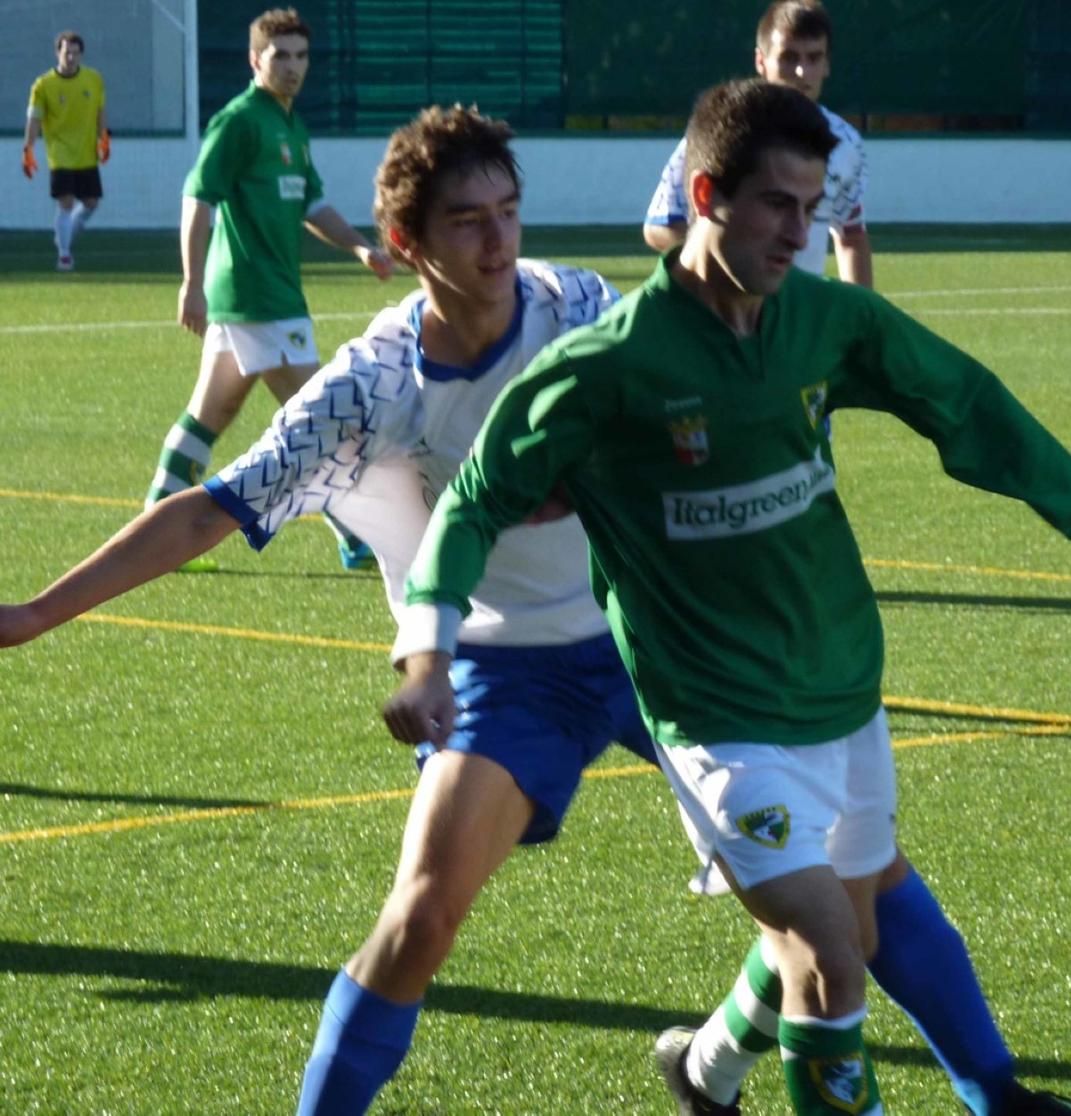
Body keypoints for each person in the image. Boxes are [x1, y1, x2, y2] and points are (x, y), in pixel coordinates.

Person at [387, 79, 1071, 1116]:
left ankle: (705, 1073)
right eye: (778, 206)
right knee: (829, 956)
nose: (802, 231)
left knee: (851, 934)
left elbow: (965, 403)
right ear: (707, 194)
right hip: (717, 720)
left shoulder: (825, 323)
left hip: (841, 691)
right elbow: (475, 504)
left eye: (813, 206)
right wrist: (428, 649)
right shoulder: (606, 369)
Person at [0, 103, 660, 1116]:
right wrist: (36, 615)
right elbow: (210, 511)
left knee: (827, 873)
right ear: (406, 243)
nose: (498, 242)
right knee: (424, 921)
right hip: (490, 659)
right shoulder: (374, 384)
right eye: (467, 221)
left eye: (509, 213)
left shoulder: (575, 305)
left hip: (647, 632)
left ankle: (729, 1063)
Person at [146, 6, 392, 572]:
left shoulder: (291, 126)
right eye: (280, 55)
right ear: (257, 59)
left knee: (209, 416)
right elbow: (198, 198)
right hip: (256, 297)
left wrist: (359, 246)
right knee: (323, 420)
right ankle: (356, 536)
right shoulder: (239, 121)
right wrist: (191, 282)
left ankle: (156, 520)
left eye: (301, 55)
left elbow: (313, 204)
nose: (293, 66)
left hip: (269, 297)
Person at [644, 0, 871, 286]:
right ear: (761, 61)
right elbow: (659, 226)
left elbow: (850, 235)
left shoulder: (845, 144)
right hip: (722, 313)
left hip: (794, 319)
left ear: (827, 65)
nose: (802, 72)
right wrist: (729, 271)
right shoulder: (722, 129)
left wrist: (862, 324)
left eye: (814, 58)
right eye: (789, 57)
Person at [23, 30, 108, 272]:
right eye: (65, 52)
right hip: (59, 153)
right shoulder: (43, 85)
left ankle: (66, 233)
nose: (70, 57)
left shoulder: (94, 80)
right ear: (57, 53)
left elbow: (100, 111)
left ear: (81, 55)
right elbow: (34, 119)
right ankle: (64, 254)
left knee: (91, 203)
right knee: (66, 202)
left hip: (86, 152)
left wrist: (104, 139)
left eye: (75, 53)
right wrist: (28, 149)